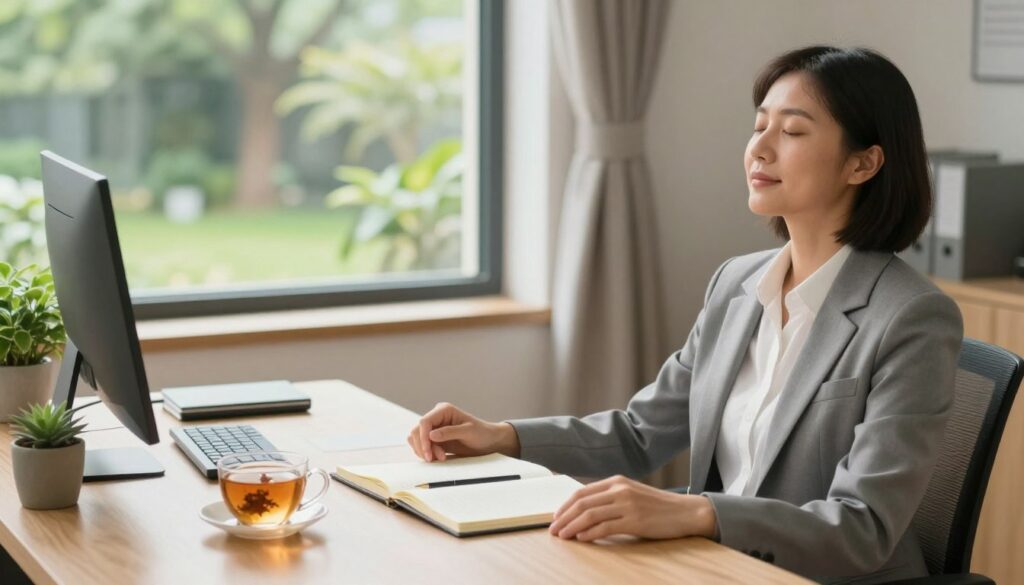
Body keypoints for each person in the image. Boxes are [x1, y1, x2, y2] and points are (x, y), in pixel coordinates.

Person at [406, 45, 963, 584]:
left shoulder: (911, 318)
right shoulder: (737, 284)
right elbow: (640, 433)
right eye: (758, 125)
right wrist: (501, 436)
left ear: (863, 163)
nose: (760, 149)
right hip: (716, 565)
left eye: (792, 131)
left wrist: (698, 514)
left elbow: (862, 529)